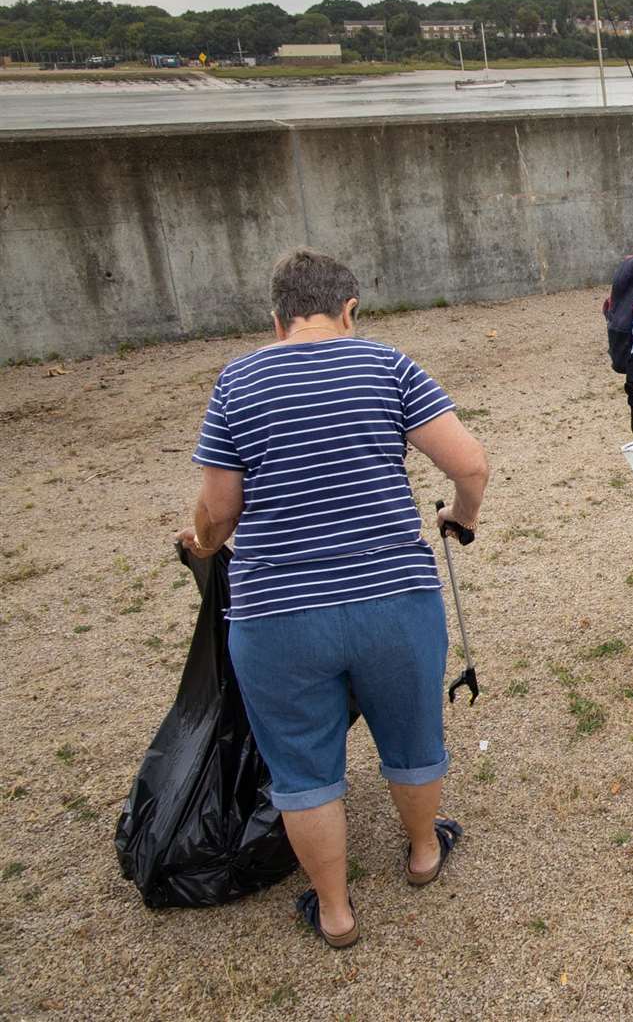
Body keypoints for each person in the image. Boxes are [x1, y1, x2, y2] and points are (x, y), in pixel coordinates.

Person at [178, 248, 489, 949]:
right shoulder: (388, 365)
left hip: (278, 614)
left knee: (301, 766)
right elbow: (470, 463)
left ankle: (336, 912)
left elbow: (219, 510)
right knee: (412, 738)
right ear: (350, 310)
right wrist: (463, 516)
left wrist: (200, 539)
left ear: (277, 316)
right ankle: (422, 855)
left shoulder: (237, 381)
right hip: (393, 599)